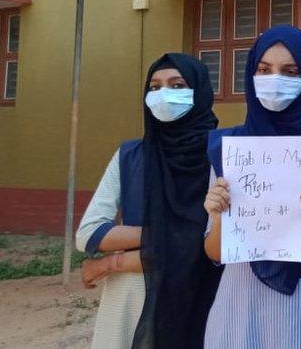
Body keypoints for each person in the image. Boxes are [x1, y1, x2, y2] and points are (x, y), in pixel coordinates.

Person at [202, 25, 301, 348]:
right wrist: (219, 217)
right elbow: (214, 252)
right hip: (238, 305)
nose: (275, 80)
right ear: (250, 75)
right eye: (263, 70)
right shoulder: (229, 148)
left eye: (290, 71)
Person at [76, 53, 221, 349]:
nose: (163, 94)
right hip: (132, 299)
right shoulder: (131, 156)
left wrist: (114, 261)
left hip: (199, 298)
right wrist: (172, 237)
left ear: (200, 91)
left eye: (176, 85)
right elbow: (88, 233)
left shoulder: (220, 155)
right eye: (154, 87)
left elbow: (211, 249)